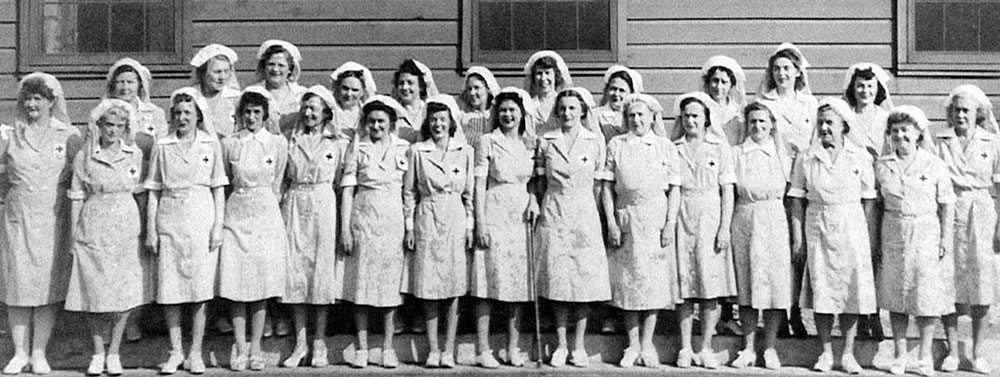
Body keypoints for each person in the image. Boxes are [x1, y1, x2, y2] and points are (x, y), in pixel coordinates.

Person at [788, 97, 878, 374]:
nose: (825, 128)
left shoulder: (860, 157)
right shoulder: (806, 157)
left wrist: (871, 240)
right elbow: (796, 200)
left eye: (830, 123)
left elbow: (869, 201)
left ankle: (848, 353)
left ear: (844, 126)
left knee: (850, 290)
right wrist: (798, 238)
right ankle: (826, 352)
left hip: (852, 226)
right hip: (818, 224)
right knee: (823, 289)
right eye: (821, 123)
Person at [1, 72, 82, 375]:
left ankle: (39, 352)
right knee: (17, 286)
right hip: (17, 220)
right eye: (28, 98)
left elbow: (80, 177)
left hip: (53, 220)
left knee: (47, 286)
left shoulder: (68, 135)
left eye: (39, 98)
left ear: (51, 101)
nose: (32, 103)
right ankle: (19, 352)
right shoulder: (9, 134)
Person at [143, 87, 228, 374]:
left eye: (188, 113)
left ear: (198, 116)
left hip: (201, 217)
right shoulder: (162, 145)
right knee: (171, 287)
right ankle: (176, 350)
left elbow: (218, 186)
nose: (182, 118)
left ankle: (195, 352)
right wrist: (151, 230)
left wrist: (218, 225)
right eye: (177, 113)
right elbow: (153, 190)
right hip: (170, 218)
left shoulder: (209, 144)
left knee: (199, 289)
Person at [65, 99, 152, 376]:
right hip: (94, 221)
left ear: (126, 127)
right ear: (99, 126)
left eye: (119, 125)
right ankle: (97, 351)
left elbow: (139, 194)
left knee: (122, 289)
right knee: (94, 289)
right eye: (108, 125)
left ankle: (114, 351)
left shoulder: (134, 155)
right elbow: (77, 196)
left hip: (125, 222)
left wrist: (144, 230)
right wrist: (74, 235)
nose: (113, 130)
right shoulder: (85, 156)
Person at [533, 87, 611, 368]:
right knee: (557, 279)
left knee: (582, 279)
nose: (567, 113)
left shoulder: (594, 142)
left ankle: (578, 346)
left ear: (582, 112)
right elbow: (540, 183)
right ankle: (560, 345)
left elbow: (600, 186)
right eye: (562, 108)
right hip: (554, 211)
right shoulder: (546, 140)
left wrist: (598, 217)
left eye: (572, 109)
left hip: (584, 212)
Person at [600, 93, 680, 368]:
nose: (636, 120)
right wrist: (611, 221)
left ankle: (648, 345)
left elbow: (674, 190)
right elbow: (607, 188)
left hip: (655, 217)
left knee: (652, 283)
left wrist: (669, 223)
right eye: (631, 115)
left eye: (641, 115)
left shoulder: (664, 147)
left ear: (652, 117)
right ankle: (631, 345)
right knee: (628, 282)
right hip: (626, 218)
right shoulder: (617, 145)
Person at [876, 105, 955, 376]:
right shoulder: (883, 166)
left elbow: (946, 205)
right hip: (893, 229)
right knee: (897, 294)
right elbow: (876, 204)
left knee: (925, 295)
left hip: (926, 230)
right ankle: (899, 355)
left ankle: (924, 356)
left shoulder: (934, 165)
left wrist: (945, 237)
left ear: (918, 134)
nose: (900, 136)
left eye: (905, 130)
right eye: (895, 131)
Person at [218, 87, 289, 371]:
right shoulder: (230, 144)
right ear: (239, 114)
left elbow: (279, 181)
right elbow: (225, 180)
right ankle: (240, 344)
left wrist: (267, 202)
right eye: (246, 112)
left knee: (261, 283)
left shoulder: (276, 143)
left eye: (256, 113)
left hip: (265, 213)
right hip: (236, 213)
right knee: (236, 281)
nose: (251, 118)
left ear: (265, 115)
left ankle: (256, 345)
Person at [280, 85, 351, 368]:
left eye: (315, 108)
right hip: (296, 203)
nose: (309, 113)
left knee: (321, 273)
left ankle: (318, 341)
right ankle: (299, 343)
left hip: (323, 203)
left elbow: (343, 181)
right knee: (296, 272)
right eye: (305, 107)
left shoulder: (338, 143)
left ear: (326, 113)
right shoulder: (289, 140)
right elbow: (282, 178)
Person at [402, 95, 474, 369]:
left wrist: (469, 226)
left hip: (455, 217)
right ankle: (433, 348)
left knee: (454, 287)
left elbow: (468, 195)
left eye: (443, 119)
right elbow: (409, 193)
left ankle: (449, 349)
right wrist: (409, 226)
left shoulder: (464, 150)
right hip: (427, 218)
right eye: (433, 119)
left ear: (451, 122)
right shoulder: (418, 151)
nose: (438, 124)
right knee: (429, 285)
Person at [338, 95, 410, 369]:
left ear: (391, 123)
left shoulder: (403, 148)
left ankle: (388, 347)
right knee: (362, 284)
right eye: (371, 122)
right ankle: (363, 347)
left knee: (390, 286)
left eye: (381, 121)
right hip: (363, 219)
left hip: (392, 221)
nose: (376, 126)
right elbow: (347, 189)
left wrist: (409, 224)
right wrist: (345, 229)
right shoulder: (359, 147)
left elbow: (409, 191)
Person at [469, 87, 538, 369]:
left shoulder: (530, 143)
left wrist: (533, 198)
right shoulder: (487, 141)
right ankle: (483, 349)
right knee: (487, 280)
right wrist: (480, 223)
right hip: (495, 209)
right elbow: (478, 185)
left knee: (517, 284)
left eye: (513, 110)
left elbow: (534, 180)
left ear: (522, 114)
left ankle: (512, 347)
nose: (507, 115)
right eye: (503, 110)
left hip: (521, 213)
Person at [669, 91, 737, 369]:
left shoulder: (719, 146)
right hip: (684, 214)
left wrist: (724, 227)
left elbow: (728, 190)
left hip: (711, 214)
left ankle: (706, 346)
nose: (690, 120)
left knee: (710, 286)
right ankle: (685, 347)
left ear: (706, 119)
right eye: (686, 116)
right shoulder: (675, 148)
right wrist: (671, 224)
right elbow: (673, 189)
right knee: (685, 286)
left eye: (695, 115)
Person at [936, 84, 1000, 375]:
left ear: (978, 114)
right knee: (948, 278)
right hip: (950, 209)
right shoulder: (940, 141)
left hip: (982, 210)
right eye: (957, 110)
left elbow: (999, 185)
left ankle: (977, 352)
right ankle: (952, 349)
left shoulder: (992, 142)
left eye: (966, 110)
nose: (961, 115)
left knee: (982, 281)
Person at [755, 43, 817, 338]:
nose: (782, 74)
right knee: (777, 252)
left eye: (787, 69)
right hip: (776, 183)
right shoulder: (765, 103)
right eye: (777, 69)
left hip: (804, 183)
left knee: (800, 250)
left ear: (797, 73)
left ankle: (796, 312)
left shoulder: (810, 105)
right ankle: (776, 314)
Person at [728, 101, 792, 370]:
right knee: (747, 285)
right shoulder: (736, 153)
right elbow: (730, 192)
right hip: (745, 216)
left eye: (763, 122)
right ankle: (749, 347)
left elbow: (792, 193)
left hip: (774, 218)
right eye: (753, 121)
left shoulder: (782, 154)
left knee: (775, 286)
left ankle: (770, 348)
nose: (758, 126)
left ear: (772, 125)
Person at [252, 40, 307, 134]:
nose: (275, 69)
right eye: (271, 64)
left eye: (281, 65)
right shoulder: (254, 93)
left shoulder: (301, 94)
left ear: (290, 69)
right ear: (264, 66)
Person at [105, 58, 169, 140]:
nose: (125, 87)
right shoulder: (105, 112)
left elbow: (162, 144)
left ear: (139, 84)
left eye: (130, 82)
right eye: (120, 82)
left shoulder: (155, 113)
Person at [191, 44, 241, 138]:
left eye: (226, 71)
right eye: (217, 72)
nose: (222, 77)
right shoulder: (192, 96)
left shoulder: (235, 98)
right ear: (203, 73)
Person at [843, 63, 893, 157]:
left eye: (870, 86)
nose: (865, 91)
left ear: (877, 89)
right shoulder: (846, 118)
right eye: (860, 86)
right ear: (853, 89)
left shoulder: (886, 118)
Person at [700, 55, 747, 146]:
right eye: (715, 81)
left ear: (731, 85)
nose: (719, 87)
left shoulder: (738, 112)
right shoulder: (700, 109)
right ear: (708, 83)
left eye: (724, 82)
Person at [597, 65, 650, 143]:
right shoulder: (596, 115)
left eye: (621, 90)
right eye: (613, 89)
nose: (616, 94)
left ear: (631, 93)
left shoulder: (638, 116)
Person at [392, 59, 439, 143]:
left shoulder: (429, 112)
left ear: (420, 86)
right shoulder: (392, 113)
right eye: (401, 83)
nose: (405, 87)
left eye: (410, 83)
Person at [524, 51, 573, 129]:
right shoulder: (529, 105)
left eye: (547, 73)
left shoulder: (564, 103)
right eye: (539, 73)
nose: (543, 78)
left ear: (556, 75)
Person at [329, 62, 377, 140]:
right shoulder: (330, 114)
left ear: (362, 92)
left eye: (355, 90)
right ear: (338, 88)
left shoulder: (367, 114)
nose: (349, 94)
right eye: (345, 88)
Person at [457, 66, 501, 147]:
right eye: (469, 89)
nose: (472, 93)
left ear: (488, 88)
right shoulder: (463, 117)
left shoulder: (497, 116)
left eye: (476, 88)